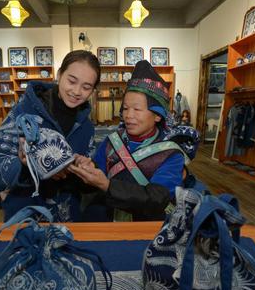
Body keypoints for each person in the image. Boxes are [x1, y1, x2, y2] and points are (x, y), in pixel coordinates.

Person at [0, 50, 100, 221]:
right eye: (72, 81)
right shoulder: (23, 112)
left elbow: (86, 180)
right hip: (24, 218)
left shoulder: (86, 127)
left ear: (92, 90)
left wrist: (85, 168)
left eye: (86, 87)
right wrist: (29, 167)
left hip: (68, 221)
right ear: (60, 74)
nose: (77, 91)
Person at [69, 60, 187, 221]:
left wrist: (108, 186)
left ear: (158, 115)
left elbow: (158, 198)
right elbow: (97, 178)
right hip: (108, 219)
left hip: (148, 227)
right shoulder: (112, 141)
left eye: (137, 109)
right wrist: (88, 168)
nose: (128, 115)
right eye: (125, 108)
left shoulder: (170, 154)